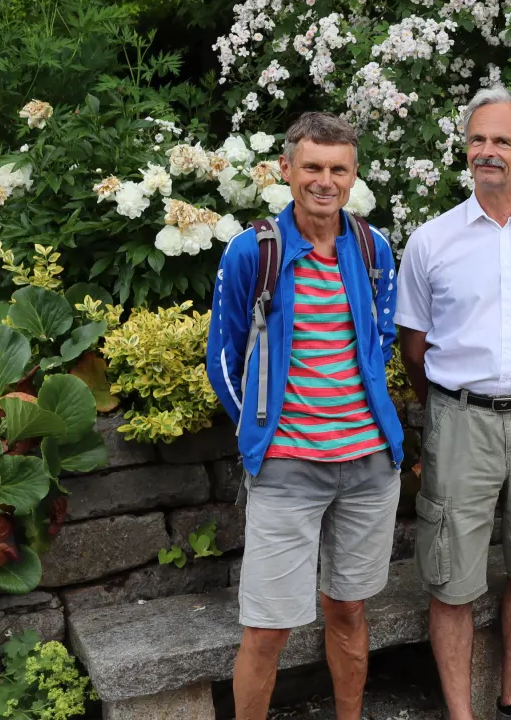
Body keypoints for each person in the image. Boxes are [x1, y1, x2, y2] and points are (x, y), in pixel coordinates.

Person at [205, 112, 404, 720]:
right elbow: (222, 356)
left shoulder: (371, 248)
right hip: (287, 466)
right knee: (266, 628)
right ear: (287, 170)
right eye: (312, 166)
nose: (324, 180)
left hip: (369, 465)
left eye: (337, 168)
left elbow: (382, 338)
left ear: (353, 174)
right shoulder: (252, 252)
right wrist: (257, 436)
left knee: (349, 609)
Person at [395, 86, 511, 720]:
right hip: (459, 422)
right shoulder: (432, 241)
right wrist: (451, 407)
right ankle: (460, 714)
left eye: (502, 141)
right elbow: (413, 347)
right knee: (451, 575)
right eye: (478, 139)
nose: (487, 151)